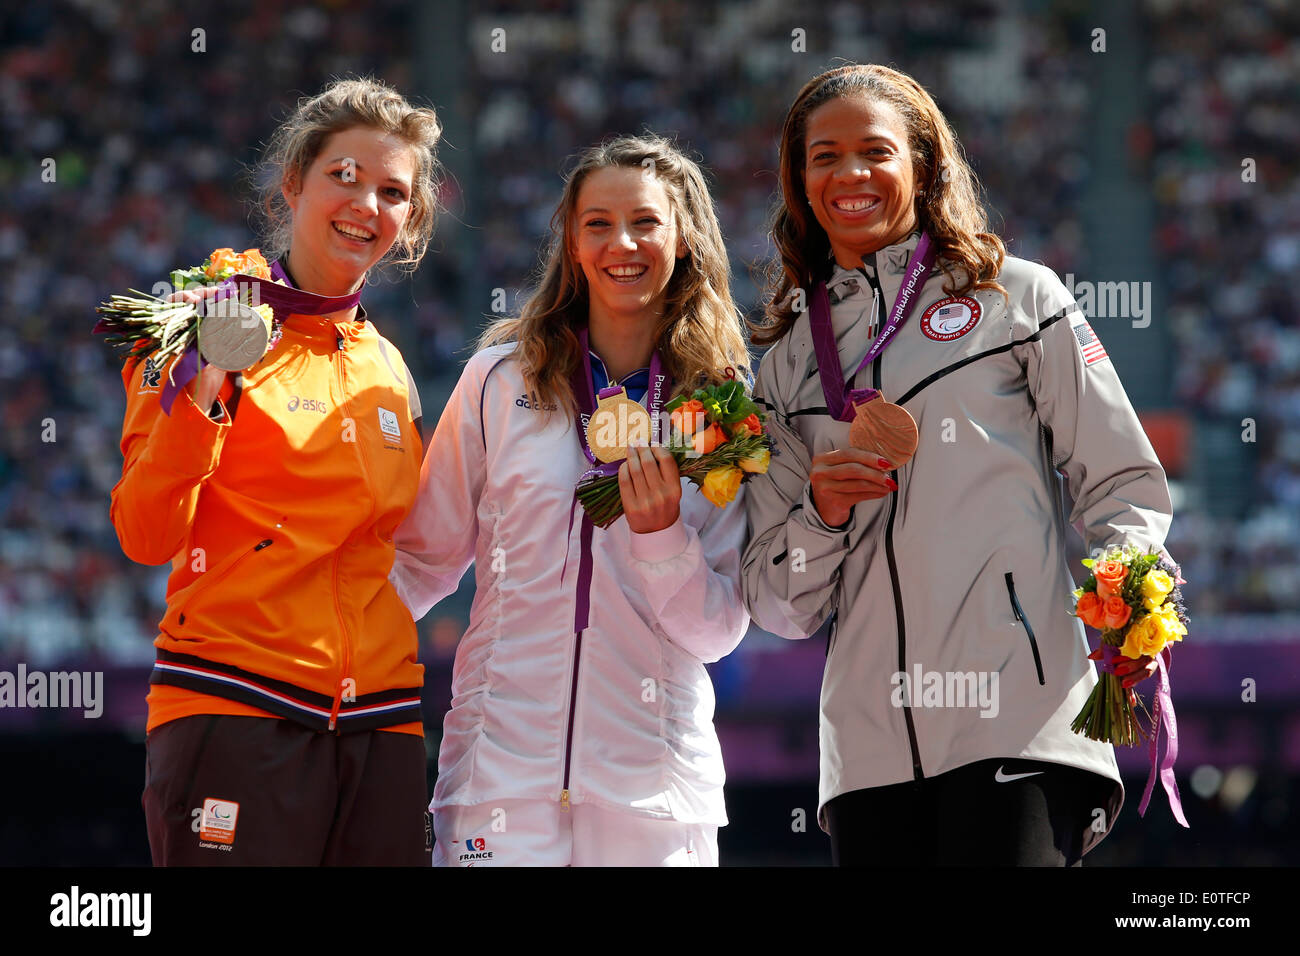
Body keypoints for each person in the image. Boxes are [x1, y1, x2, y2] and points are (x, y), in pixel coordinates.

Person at [741, 64, 1172, 866]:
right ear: (799, 181)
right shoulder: (785, 366)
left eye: (875, 151)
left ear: (924, 165)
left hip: (1021, 716)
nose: (850, 175)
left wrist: (1129, 588)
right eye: (824, 156)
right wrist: (821, 516)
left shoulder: (1018, 298)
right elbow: (778, 602)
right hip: (867, 753)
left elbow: (1123, 482)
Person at [390, 134, 751, 867]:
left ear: (682, 239)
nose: (623, 242)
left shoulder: (721, 407)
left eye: (646, 222)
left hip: (652, 788)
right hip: (499, 776)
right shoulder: (496, 380)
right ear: (572, 241)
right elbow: (421, 563)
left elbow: (717, 631)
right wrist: (304, 660)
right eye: (597, 223)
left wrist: (660, 539)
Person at [109, 77, 442, 865]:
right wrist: (207, 388)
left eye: (393, 191)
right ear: (293, 182)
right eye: (344, 176)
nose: (367, 203)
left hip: (382, 721)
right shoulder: (193, 323)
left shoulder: (390, 367)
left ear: (410, 220)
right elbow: (145, 532)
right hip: (235, 704)